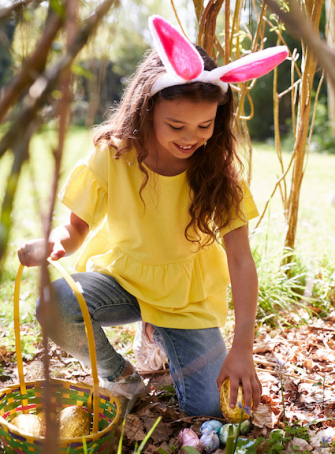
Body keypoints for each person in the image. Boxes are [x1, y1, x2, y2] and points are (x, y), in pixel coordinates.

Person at [17, 16, 288, 417]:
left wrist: (243, 347)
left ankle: (159, 333)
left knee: (209, 408)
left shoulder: (216, 171)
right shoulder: (115, 155)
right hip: (123, 279)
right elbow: (75, 229)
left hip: (185, 298)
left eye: (205, 125)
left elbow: (240, 259)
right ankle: (121, 375)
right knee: (53, 303)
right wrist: (54, 242)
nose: (191, 137)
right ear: (146, 110)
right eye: (176, 124)